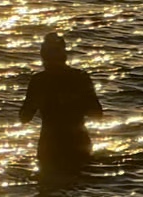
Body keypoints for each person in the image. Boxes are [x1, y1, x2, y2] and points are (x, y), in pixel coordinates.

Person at [19, 32, 103, 173]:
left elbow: (24, 117)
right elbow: (97, 114)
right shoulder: (80, 77)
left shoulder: (39, 81)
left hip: (50, 146)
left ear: (43, 56)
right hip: (78, 143)